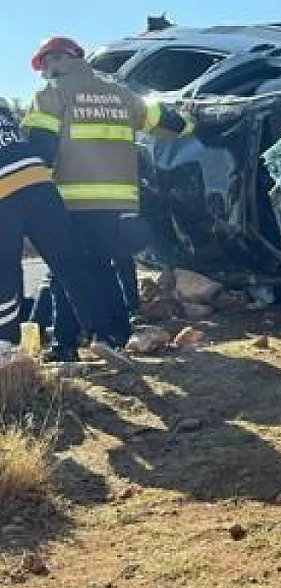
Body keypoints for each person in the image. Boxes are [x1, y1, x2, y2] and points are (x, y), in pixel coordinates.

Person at [21, 36, 192, 362]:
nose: (44, 73)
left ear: (58, 60)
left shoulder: (52, 95)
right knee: (102, 267)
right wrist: (190, 117)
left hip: (72, 201)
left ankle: (64, 348)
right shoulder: (120, 95)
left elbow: (40, 148)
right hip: (119, 205)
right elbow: (174, 125)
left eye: (45, 65)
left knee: (65, 273)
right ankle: (114, 337)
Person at [0, 98, 132, 368]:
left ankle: (6, 346)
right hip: (40, 185)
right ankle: (103, 336)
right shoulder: (3, 110)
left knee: (7, 272)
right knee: (71, 265)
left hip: (3, 193)